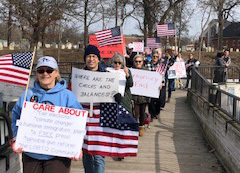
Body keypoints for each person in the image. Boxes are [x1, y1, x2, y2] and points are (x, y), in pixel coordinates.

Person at [11, 56, 83, 173]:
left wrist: (76, 146)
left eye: (49, 70)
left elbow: (78, 124)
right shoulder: (28, 95)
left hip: (58, 155)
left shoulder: (68, 96)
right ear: (37, 73)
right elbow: (16, 116)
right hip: (31, 153)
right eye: (41, 70)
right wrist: (16, 138)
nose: (45, 74)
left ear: (56, 73)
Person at [81, 45, 106, 173]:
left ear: (98, 59)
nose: (91, 59)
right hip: (83, 119)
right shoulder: (78, 76)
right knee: (86, 154)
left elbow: (113, 94)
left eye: (94, 56)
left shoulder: (106, 76)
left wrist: (117, 96)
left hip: (100, 119)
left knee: (98, 156)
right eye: (89, 56)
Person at [132, 54, 149, 136]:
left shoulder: (147, 71)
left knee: (142, 113)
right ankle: (135, 127)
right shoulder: (131, 71)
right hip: (134, 97)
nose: (138, 63)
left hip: (144, 97)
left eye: (139, 61)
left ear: (142, 62)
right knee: (135, 113)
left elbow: (152, 81)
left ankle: (141, 127)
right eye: (136, 61)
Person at [145, 50, 162, 120]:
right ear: (151, 57)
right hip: (150, 85)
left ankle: (157, 112)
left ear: (158, 57)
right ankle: (151, 115)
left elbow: (162, 74)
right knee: (150, 101)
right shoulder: (148, 64)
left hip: (159, 84)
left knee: (158, 100)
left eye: (156, 57)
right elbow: (146, 73)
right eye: (154, 56)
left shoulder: (161, 65)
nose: (155, 58)